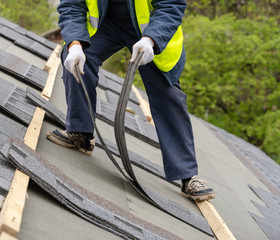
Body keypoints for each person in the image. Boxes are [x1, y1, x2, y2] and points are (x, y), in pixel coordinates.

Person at [46, 0, 215, 201]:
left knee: (167, 95)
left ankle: (187, 175)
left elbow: (172, 4)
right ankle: (80, 134)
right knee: (77, 59)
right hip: (106, 23)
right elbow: (72, 4)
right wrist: (74, 44)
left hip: (149, 29)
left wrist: (151, 39)